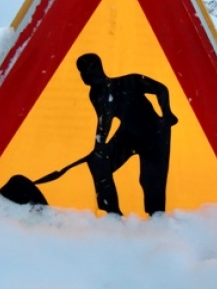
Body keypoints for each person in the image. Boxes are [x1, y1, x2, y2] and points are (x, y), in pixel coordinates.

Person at [76, 53, 178, 216]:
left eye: (84, 71)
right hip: (129, 134)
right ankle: (112, 212)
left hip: (154, 133)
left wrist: (166, 113)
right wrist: (98, 149)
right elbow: (105, 120)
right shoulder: (95, 93)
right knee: (99, 163)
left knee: (150, 180)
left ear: (94, 70)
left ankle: (157, 220)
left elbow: (161, 88)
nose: (83, 77)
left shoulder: (130, 81)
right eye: (80, 72)